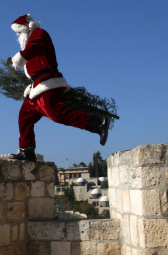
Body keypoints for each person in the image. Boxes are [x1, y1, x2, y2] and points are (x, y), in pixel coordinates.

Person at [8, 14, 109, 162]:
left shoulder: (39, 34)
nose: (17, 35)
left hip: (47, 84)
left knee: (56, 114)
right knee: (24, 117)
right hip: (36, 87)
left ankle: (97, 123)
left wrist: (19, 57)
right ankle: (26, 150)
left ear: (26, 27)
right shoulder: (29, 40)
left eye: (19, 31)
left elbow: (34, 48)